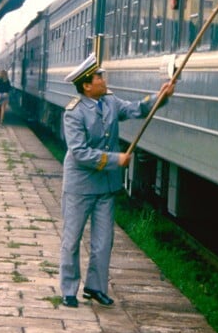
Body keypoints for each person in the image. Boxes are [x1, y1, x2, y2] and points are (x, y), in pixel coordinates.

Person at [58, 53, 174, 308]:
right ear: (87, 85)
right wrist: (115, 159)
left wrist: (161, 96)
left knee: (103, 241)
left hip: (105, 186)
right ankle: (68, 290)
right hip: (81, 185)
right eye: (98, 76)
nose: (103, 78)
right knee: (72, 239)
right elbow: (79, 152)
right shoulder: (74, 113)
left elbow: (137, 108)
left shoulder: (110, 102)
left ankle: (95, 287)